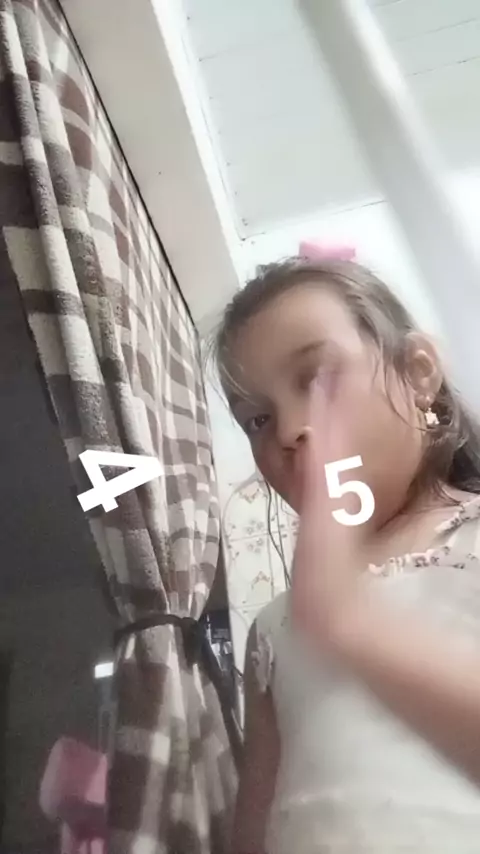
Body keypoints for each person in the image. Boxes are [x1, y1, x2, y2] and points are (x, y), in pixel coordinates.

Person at [213, 257, 480, 854]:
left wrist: (353, 627)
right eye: (257, 418)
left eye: (317, 381)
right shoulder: (275, 628)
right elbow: (253, 832)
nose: (289, 431)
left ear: (418, 373)